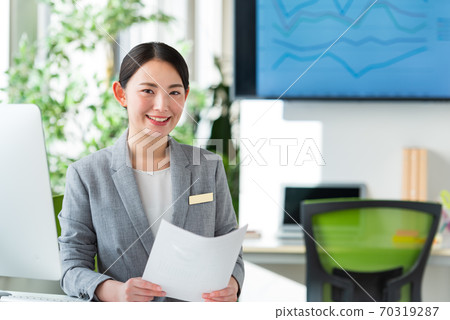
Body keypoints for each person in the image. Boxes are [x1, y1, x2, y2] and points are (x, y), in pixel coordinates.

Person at [58, 42, 244, 302]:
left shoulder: (208, 167)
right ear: (121, 94)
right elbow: (71, 268)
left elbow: (231, 251)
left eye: (174, 93)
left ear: (186, 96)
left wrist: (232, 284)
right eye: (148, 90)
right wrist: (115, 291)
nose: (162, 105)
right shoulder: (86, 174)